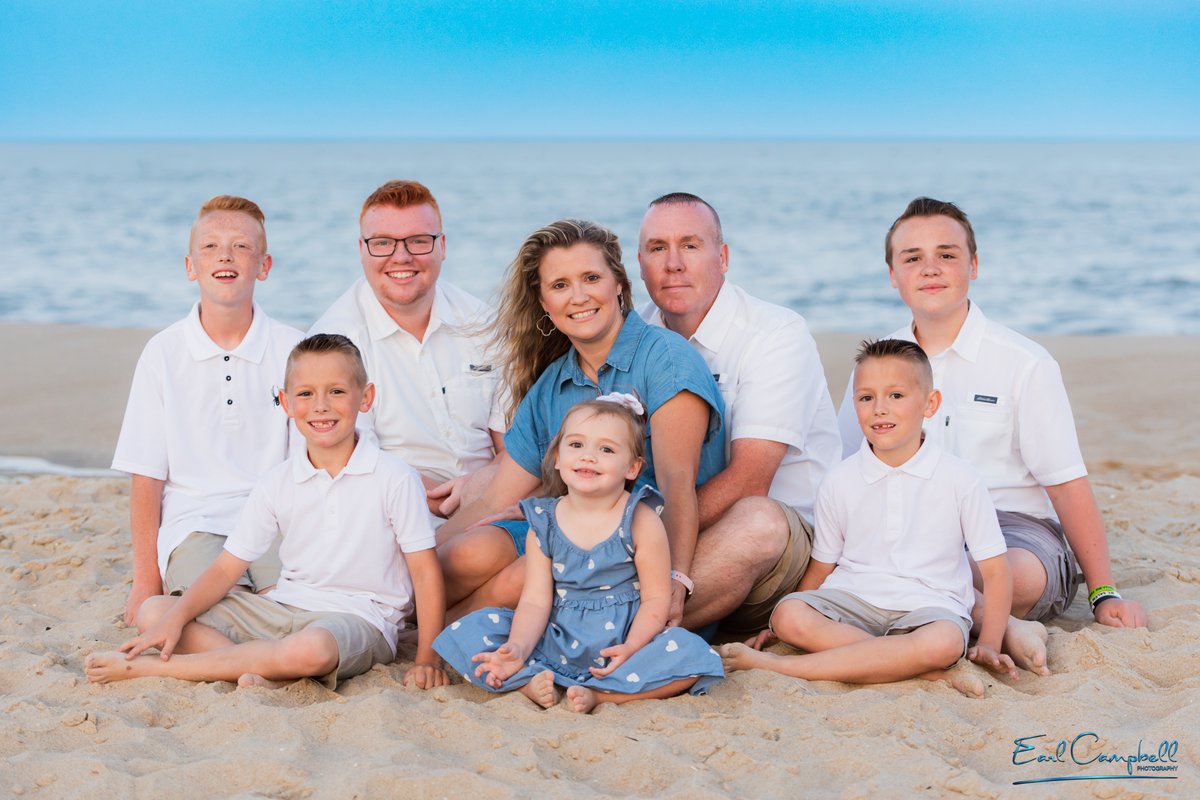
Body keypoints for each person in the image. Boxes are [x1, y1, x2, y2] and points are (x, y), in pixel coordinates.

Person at [836, 198, 1148, 673]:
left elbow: (1066, 483)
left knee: (1008, 575)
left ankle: (940, 613)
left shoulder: (1024, 363)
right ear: (892, 275)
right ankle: (996, 624)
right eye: (912, 258)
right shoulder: (876, 366)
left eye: (947, 254)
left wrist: (1105, 592)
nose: (930, 269)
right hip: (906, 526)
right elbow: (848, 466)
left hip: (1012, 530)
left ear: (974, 265)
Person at [86, 334, 449, 690]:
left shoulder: (395, 477)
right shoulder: (277, 481)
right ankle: (264, 669)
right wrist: (175, 618)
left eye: (336, 391)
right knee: (155, 612)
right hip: (282, 607)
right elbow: (228, 568)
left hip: (359, 618)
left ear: (365, 397)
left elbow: (425, 573)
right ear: (286, 403)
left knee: (311, 648)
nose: (321, 405)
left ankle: (154, 670)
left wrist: (426, 659)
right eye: (305, 394)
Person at [435, 219, 725, 625]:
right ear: (543, 302)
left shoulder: (666, 359)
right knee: (464, 554)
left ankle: (432, 633)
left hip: (640, 544)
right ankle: (404, 613)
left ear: (619, 284)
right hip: (570, 530)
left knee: (521, 577)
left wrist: (675, 579)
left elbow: (678, 485)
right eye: (560, 285)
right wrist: (413, 560)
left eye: (591, 277)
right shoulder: (555, 382)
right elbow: (491, 500)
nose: (579, 297)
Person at [721, 339, 1016, 694]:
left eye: (896, 396)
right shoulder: (840, 480)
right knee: (788, 615)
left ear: (930, 403)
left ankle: (787, 666)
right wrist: (787, 615)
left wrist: (991, 642)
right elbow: (822, 565)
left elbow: (996, 572)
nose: (879, 409)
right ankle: (916, 669)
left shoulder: (961, 479)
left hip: (929, 607)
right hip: (852, 599)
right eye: (866, 398)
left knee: (945, 643)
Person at [434, 395, 723, 712]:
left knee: (693, 655)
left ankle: (604, 695)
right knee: (471, 631)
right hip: (556, 637)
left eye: (606, 449)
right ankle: (527, 679)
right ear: (557, 458)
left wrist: (632, 647)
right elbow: (534, 600)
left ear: (632, 467)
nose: (589, 457)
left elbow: (656, 599)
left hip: (623, 639)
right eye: (576, 445)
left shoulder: (641, 520)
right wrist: (517, 647)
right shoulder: (544, 522)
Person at [637, 193, 841, 634]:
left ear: (723, 257)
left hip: (779, 549)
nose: (673, 263)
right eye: (657, 248)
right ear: (639, 262)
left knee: (757, 522)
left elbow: (750, 480)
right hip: (661, 534)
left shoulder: (775, 334)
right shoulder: (634, 334)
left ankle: (614, 633)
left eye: (690, 245)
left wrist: (642, 536)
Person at [111, 195, 303, 626]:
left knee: (289, 602)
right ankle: (266, 656)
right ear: (190, 266)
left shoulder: (294, 349)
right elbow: (147, 477)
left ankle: (259, 652)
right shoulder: (163, 352)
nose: (226, 255)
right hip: (194, 521)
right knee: (213, 607)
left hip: (276, 518)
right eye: (211, 246)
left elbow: (308, 461)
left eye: (241, 246)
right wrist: (145, 578)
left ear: (264, 266)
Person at [310, 179, 503, 517]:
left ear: (442, 246)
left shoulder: (485, 324)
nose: (401, 257)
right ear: (361, 249)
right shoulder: (334, 345)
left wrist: (486, 487)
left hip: (495, 499)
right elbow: (354, 466)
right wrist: (457, 503)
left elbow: (515, 445)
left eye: (418, 241)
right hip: (391, 513)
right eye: (383, 243)